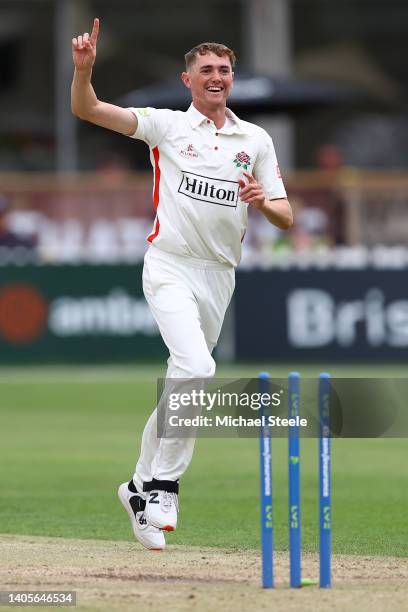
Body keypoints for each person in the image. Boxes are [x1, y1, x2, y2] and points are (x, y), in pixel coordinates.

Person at [71, 18, 293, 551]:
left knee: (183, 381)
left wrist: (263, 201)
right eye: (206, 70)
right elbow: (89, 110)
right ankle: (165, 484)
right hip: (169, 264)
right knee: (197, 368)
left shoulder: (254, 139)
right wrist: (84, 72)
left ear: (231, 79)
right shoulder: (166, 126)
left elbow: (286, 216)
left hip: (220, 274)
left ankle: (137, 486)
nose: (217, 77)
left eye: (224, 70)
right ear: (187, 79)